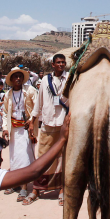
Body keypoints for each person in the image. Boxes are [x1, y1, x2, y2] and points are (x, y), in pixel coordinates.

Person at [27, 54, 69, 205]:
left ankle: (62, 190)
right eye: (58, 62)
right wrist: (32, 120)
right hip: (48, 122)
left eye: (63, 62)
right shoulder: (45, 80)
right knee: (42, 155)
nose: (61, 65)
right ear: (52, 64)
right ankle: (36, 189)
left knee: (62, 157)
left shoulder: (70, 78)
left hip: (63, 123)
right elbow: (39, 101)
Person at [1, 67, 38, 205]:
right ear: (11, 80)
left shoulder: (29, 91)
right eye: (15, 77)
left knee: (24, 156)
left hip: (26, 128)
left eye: (19, 76)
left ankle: (24, 187)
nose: (17, 79)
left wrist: (32, 120)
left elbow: (37, 106)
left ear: (23, 79)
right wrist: (5, 128)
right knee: (14, 156)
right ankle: (15, 182)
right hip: (13, 129)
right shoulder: (8, 95)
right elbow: (5, 112)